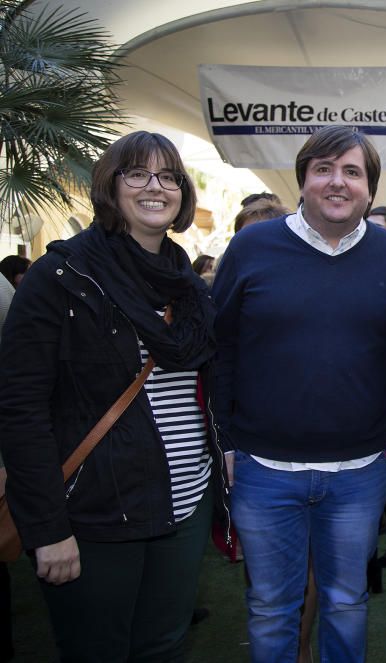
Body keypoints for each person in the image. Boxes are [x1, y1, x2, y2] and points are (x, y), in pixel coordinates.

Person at [0, 130, 220, 661]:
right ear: (110, 184)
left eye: (169, 176)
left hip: (185, 502)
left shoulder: (185, 283)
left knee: (163, 646)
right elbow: (21, 410)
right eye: (138, 173)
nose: (156, 187)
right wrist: (47, 529)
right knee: (96, 651)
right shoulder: (61, 275)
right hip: (96, 511)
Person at [212, 125, 386, 662]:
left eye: (352, 171)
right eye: (324, 169)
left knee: (347, 604)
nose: (338, 182)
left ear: (370, 188)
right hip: (264, 469)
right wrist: (227, 443)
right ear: (302, 179)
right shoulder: (252, 247)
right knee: (271, 606)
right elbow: (222, 349)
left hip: (360, 473)